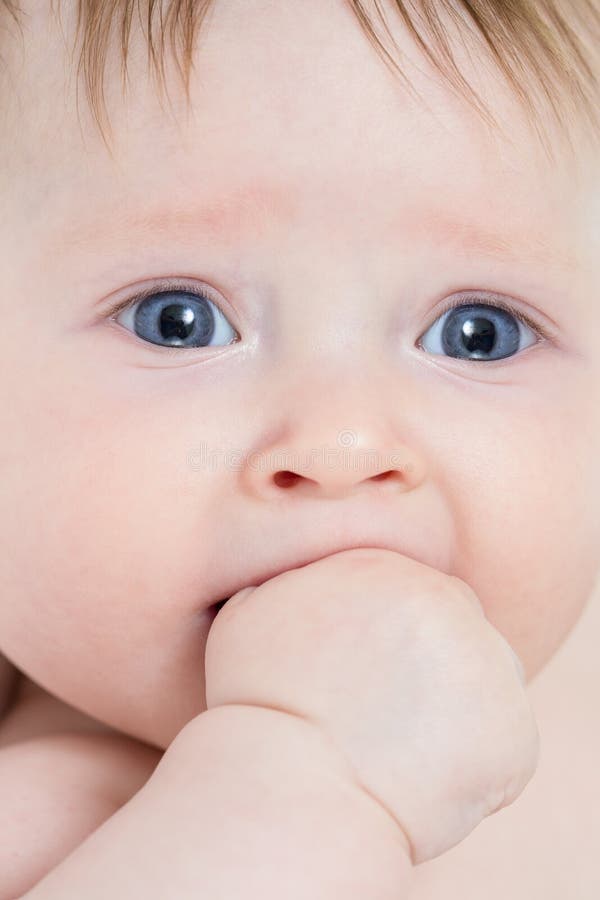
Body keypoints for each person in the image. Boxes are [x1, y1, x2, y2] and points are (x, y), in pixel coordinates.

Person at [0, 0, 598, 895]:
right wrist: (309, 779)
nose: (344, 444)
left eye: (481, 333)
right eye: (179, 321)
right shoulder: (53, 827)